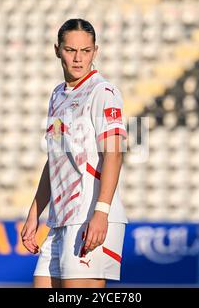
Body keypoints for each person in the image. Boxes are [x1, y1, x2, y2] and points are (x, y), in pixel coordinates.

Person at [20, 18, 128, 288]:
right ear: (57, 50)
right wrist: (35, 213)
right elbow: (55, 158)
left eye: (86, 51)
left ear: (95, 51)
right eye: (70, 50)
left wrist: (101, 212)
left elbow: (114, 152)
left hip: (89, 215)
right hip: (60, 218)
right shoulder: (58, 95)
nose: (78, 59)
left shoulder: (103, 92)